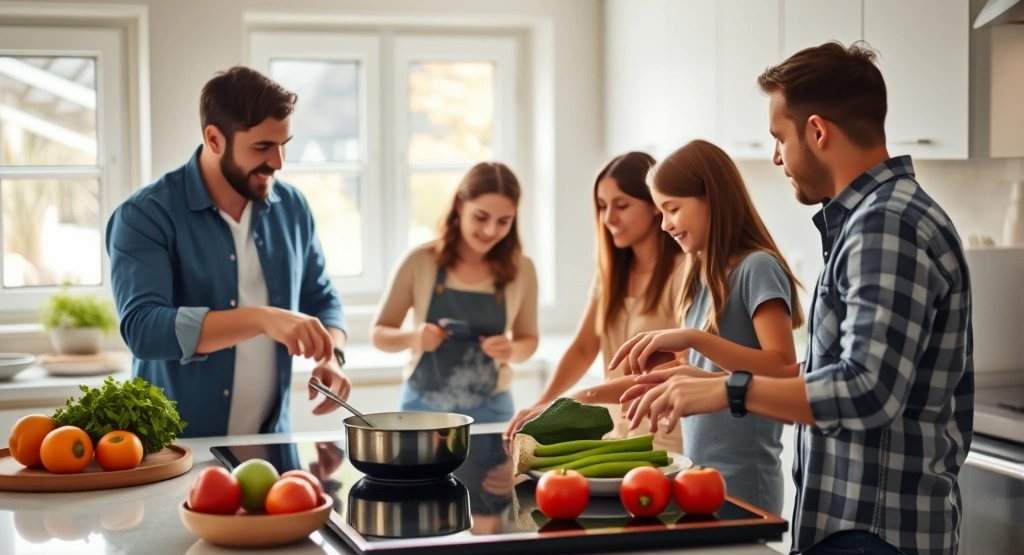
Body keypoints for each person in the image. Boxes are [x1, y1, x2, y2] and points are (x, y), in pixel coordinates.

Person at [623, 42, 973, 555]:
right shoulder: (874, 220)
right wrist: (709, 379)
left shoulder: (885, 225)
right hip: (860, 529)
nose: (776, 157)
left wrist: (729, 389)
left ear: (817, 131)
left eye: (779, 137)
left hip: (874, 535)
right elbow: (840, 372)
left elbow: (867, 391)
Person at [106, 66, 351, 438]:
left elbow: (322, 298)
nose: (279, 162)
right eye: (262, 147)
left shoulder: (293, 207)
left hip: (272, 444)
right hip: (176, 451)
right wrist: (262, 319)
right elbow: (144, 328)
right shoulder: (144, 215)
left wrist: (331, 355)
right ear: (214, 139)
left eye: (284, 144)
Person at [606, 139, 803, 516]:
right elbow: (694, 375)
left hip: (743, 482)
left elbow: (782, 369)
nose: (665, 225)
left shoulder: (757, 268)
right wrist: (579, 399)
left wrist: (694, 338)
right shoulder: (698, 275)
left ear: (711, 198)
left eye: (672, 209)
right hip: (697, 477)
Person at [504, 151, 686, 453]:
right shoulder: (610, 274)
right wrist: (544, 404)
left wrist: (581, 397)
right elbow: (583, 347)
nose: (608, 218)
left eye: (621, 205)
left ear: (656, 205)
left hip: (666, 438)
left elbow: (680, 367)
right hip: (615, 436)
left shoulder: (684, 272)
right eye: (602, 206)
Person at [370, 162, 539, 424]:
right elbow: (379, 334)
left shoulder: (523, 269)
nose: (490, 230)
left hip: (492, 410)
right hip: (421, 408)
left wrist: (511, 350)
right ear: (460, 205)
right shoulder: (419, 261)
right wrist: (415, 338)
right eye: (481, 217)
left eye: (504, 221)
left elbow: (529, 340)